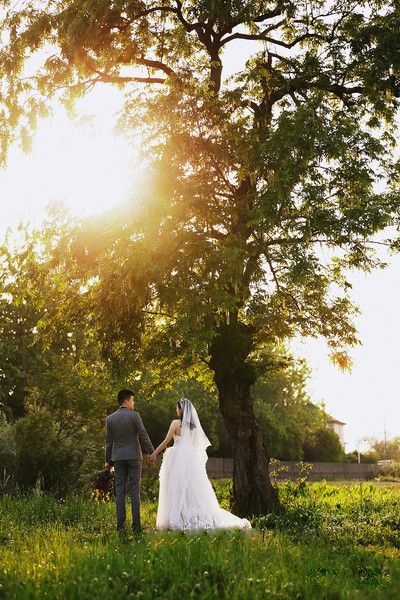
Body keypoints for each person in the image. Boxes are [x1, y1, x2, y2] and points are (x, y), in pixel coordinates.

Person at [149, 398, 251, 531]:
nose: (176, 410)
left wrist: (154, 453)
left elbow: (166, 441)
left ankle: (178, 516)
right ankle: (188, 514)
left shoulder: (176, 423)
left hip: (177, 460)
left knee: (176, 488)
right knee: (191, 490)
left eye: (177, 408)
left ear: (181, 409)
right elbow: (195, 446)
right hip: (190, 461)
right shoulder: (193, 427)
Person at [105, 388, 154, 533]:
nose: (134, 403)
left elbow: (108, 442)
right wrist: (152, 452)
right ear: (126, 401)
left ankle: (120, 527)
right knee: (134, 491)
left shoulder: (110, 419)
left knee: (119, 491)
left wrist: (108, 461)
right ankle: (136, 526)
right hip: (134, 457)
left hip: (118, 458)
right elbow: (143, 434)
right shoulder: (135, 416)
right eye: (132, 400)